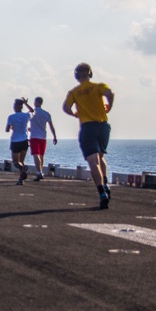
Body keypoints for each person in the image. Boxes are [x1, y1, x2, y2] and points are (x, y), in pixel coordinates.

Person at [62, 63, 114, 209]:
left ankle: (102, 192)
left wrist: (74, 114)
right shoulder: (99, 86)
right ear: (90, 73)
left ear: (76, 75)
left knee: (93, 161)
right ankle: (106, 183)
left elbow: (65, 107)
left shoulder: (74, 92)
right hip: (103, 127)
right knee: (101, 156)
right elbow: (110, 94)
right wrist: (109, 106)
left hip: (87, 127)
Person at [26, 97, 58, 181]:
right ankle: (41, 171)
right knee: (41, 155)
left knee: (35, 154)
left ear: (36, 102)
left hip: (34, 136)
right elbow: (51, 126)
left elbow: (25, 120)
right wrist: (54, 136)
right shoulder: (46, 114)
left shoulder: (32, 113)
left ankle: (39, 172)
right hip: (43, 137)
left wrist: (28, 129)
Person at [6, 98, 31, 185]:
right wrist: (26, 103)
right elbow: (32, 111)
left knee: (16, 162)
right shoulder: (26, 116)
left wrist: (12, 127)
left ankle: (23, 169)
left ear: (16, 106)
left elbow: (7, 129)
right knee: (22, 160)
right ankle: (21, 179)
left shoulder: (11, 117)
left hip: (15, 140)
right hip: (24, 140)